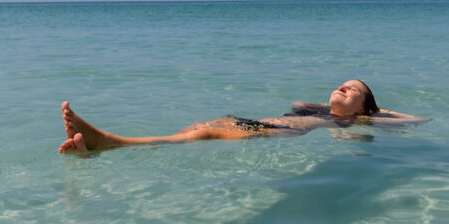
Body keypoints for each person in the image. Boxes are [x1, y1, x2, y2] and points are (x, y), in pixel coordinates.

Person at [58, 79, 428, 156]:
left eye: (353, 89)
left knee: (203, 135)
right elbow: (299, 98)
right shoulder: (316, 109)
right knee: (198, 128)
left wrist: (377, 110)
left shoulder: (359, 122)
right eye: (340, 84)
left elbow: (414, 121)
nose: (343, 88)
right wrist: (337, 100)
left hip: (273, 131)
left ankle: (108, 142)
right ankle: (96, 147)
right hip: (250, 120)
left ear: (365, 107)